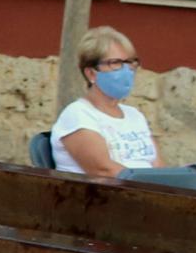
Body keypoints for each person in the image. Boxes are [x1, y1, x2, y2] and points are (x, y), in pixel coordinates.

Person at [50, 25, 162, 179]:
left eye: (130, 63)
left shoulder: (135, 116)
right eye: (115, 63)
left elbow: (159, 169)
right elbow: (104, 170)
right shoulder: (78, 115)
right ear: (91, 73)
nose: (126, 70)